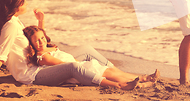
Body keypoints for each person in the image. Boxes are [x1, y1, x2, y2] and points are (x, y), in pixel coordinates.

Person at [0, 0, 156, 90]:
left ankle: (133, 77)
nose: (26, 3)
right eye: (23, 2)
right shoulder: (9, 26)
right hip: (32, 75)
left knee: (87, 50)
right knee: (74, 66)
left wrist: (41, 22)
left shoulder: (15, 20)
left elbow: (38, 41)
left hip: (39, 63)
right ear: (16, 6)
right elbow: (0, 57)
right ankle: (119, 85)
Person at [23, 26, 158, 90]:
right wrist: (83, 64)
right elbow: (63, 64)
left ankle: (142, 78)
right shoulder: (43, 57)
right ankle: (139, 83)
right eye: (37, 41)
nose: (41, 42)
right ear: (31, 45)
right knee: (111, 74)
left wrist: (41, 20)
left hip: (79, 65)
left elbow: (41, 34)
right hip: (77, 69)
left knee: (113, 72)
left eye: (42, 38)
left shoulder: (45, 47)